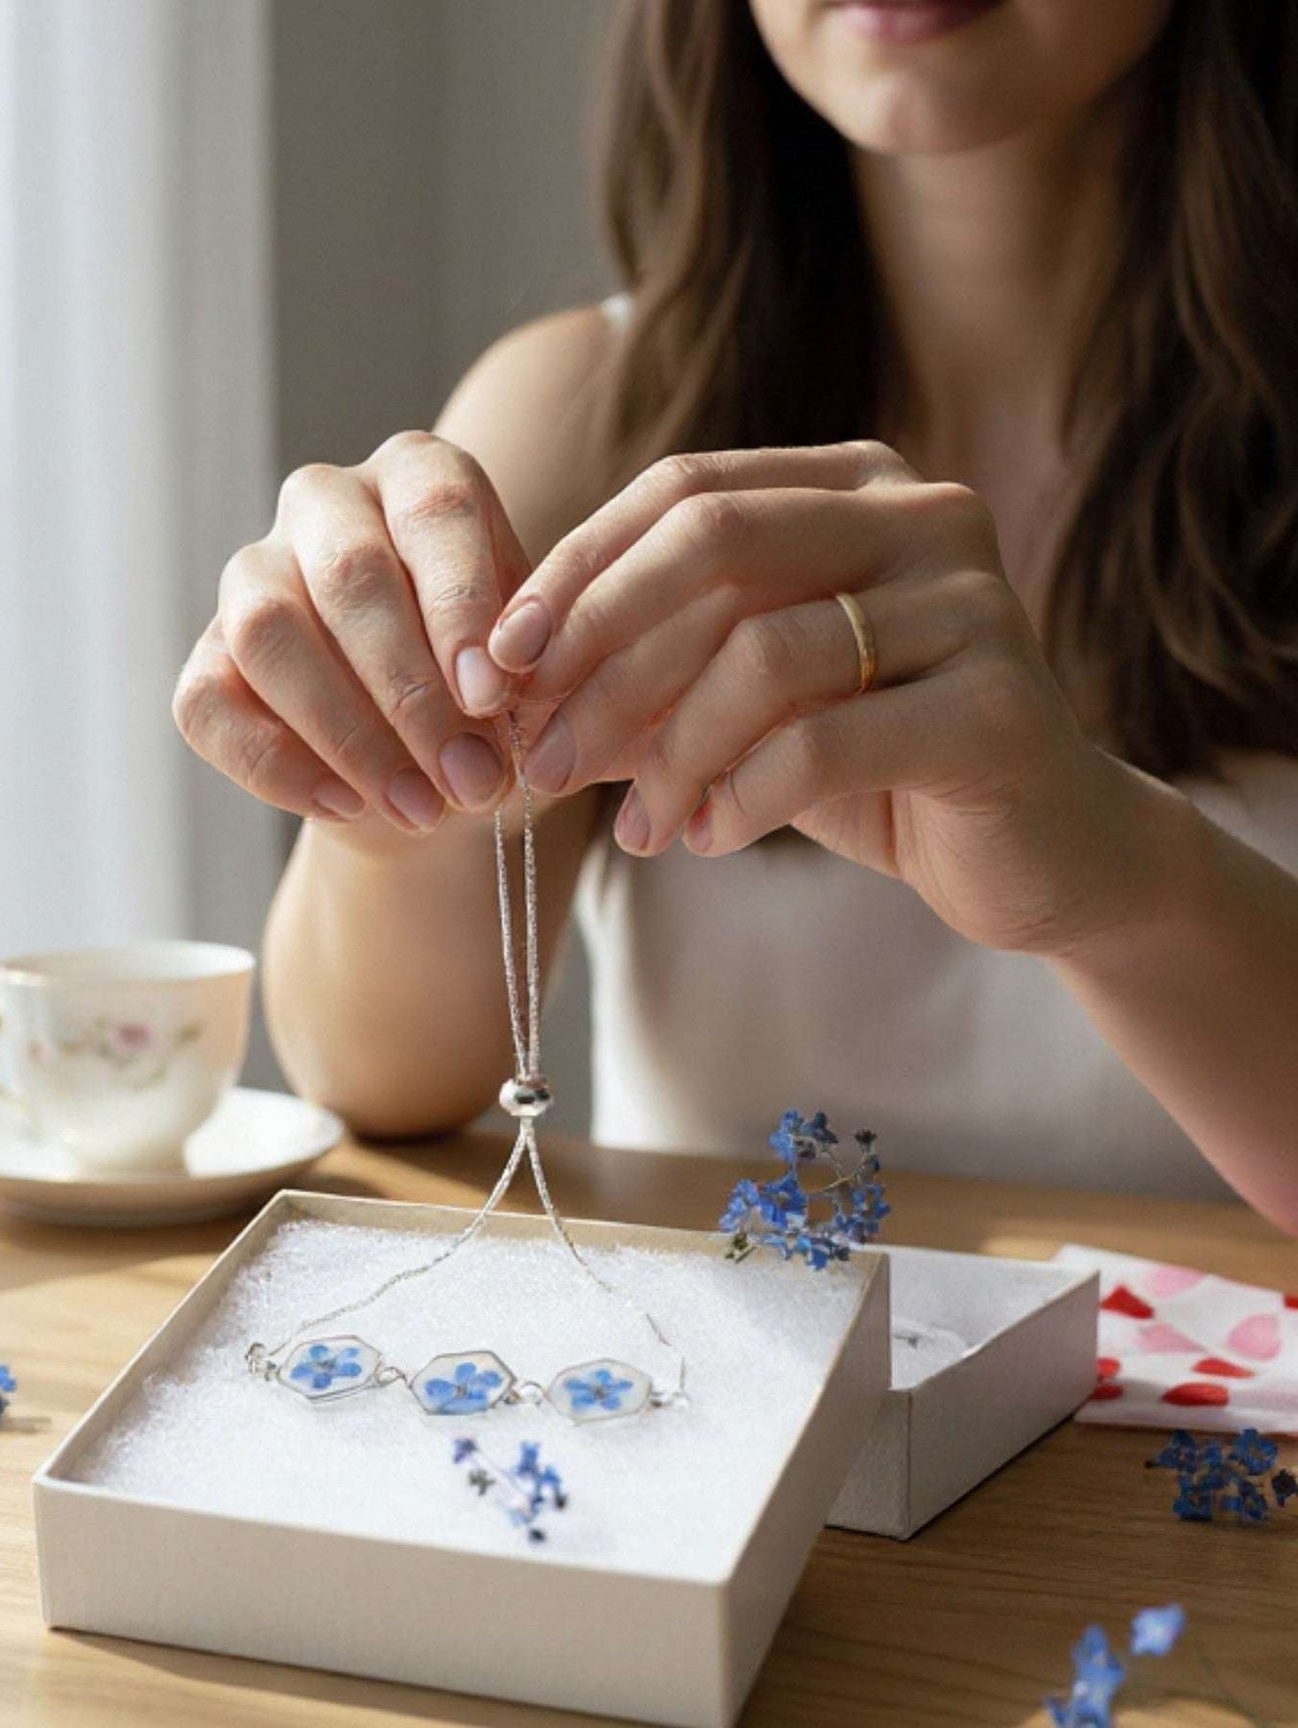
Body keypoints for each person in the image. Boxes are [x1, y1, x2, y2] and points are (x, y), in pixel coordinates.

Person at [173, 1, 1298, 1228]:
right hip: (732, 1402)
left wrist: (1128, 881)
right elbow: (381, 1082)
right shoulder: (577, 417)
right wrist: (395, 804)